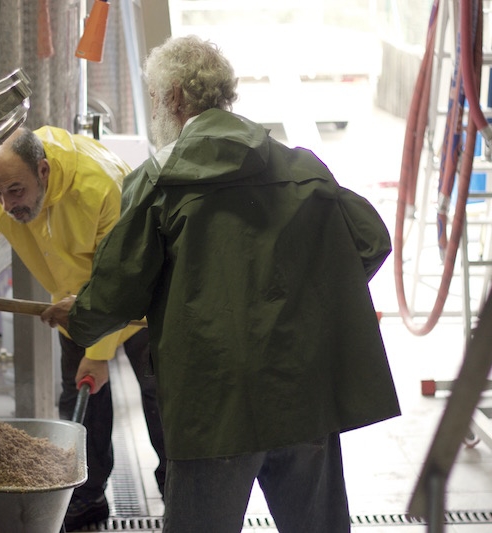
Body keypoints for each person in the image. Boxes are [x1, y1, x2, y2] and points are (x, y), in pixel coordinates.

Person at [40, 35, 401, 533]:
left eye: (154, 98)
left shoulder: (159, 181)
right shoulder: (300, 167)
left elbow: (118, 291)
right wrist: (301, 298)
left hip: (215, 402)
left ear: (175, 99)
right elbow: (370, 241)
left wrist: (77, 317)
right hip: (302, 389)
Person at [0, 126, 167, 530]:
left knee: (161, 398)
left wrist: (98, 355)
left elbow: (117, 275)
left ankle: (175, 495)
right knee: (81, 403)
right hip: (76, 303)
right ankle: (86, 497)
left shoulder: (100, 184)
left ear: (44, 171)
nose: (5, 203)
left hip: (140, 298)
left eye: (15, 191)